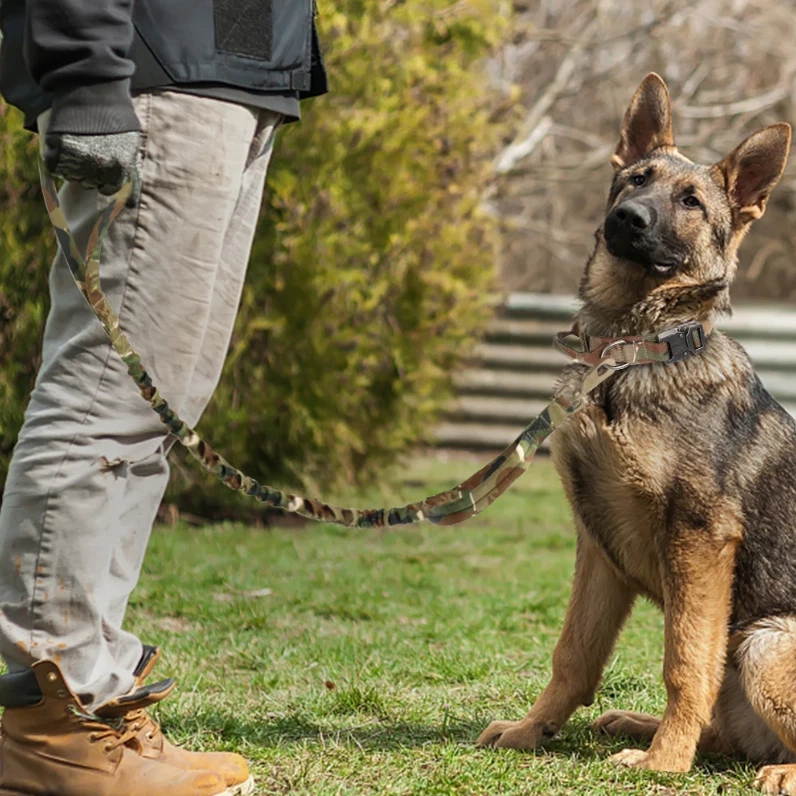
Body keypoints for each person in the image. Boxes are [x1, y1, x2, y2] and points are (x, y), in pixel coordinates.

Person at [0, 2, 327, 794]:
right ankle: (44, 717)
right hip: (154, 69)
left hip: (234, 73)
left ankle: (95, 694)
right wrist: (85, 71)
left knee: (152, 417)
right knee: (104, 400)